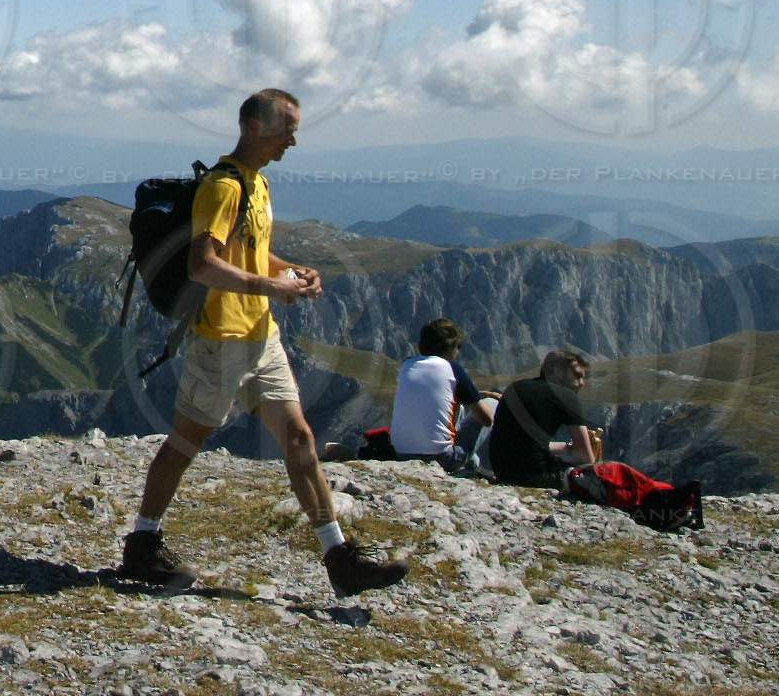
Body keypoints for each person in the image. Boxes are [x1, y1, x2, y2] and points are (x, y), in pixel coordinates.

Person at [116, 89, 408, 598]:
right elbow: (201, 265)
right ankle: (142, 543)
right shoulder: (223, 188)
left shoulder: (258, 184)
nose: (292, 140)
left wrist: (293, 271)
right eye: (285, 129)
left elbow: (252, 253)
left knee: (299, 438)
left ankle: (339, 558)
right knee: (185, 443)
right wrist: (271, 287)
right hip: (220, 340)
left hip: (260, 335)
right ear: (253, 127)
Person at [386, 317, 498, 472]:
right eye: (458, 347)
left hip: (401, 454)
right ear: (450, 348)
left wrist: (475, 394)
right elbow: (486, 419)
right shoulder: (453, 369)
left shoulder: (407, 364)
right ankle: (471, 466)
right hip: (443, 459)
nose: (458, 352)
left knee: (458, 408)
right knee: (491, 404)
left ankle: (471, 464)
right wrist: (484, 398)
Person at [487, 348, 604, 489]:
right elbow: (586, 458)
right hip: (536, 476)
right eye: (577, 375)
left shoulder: (515, 387)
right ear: (558, 371)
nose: (582, 383)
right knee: (592, 477)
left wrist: (567, 447)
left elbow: (526, 443)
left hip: (502, 471)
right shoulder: (566, 396)